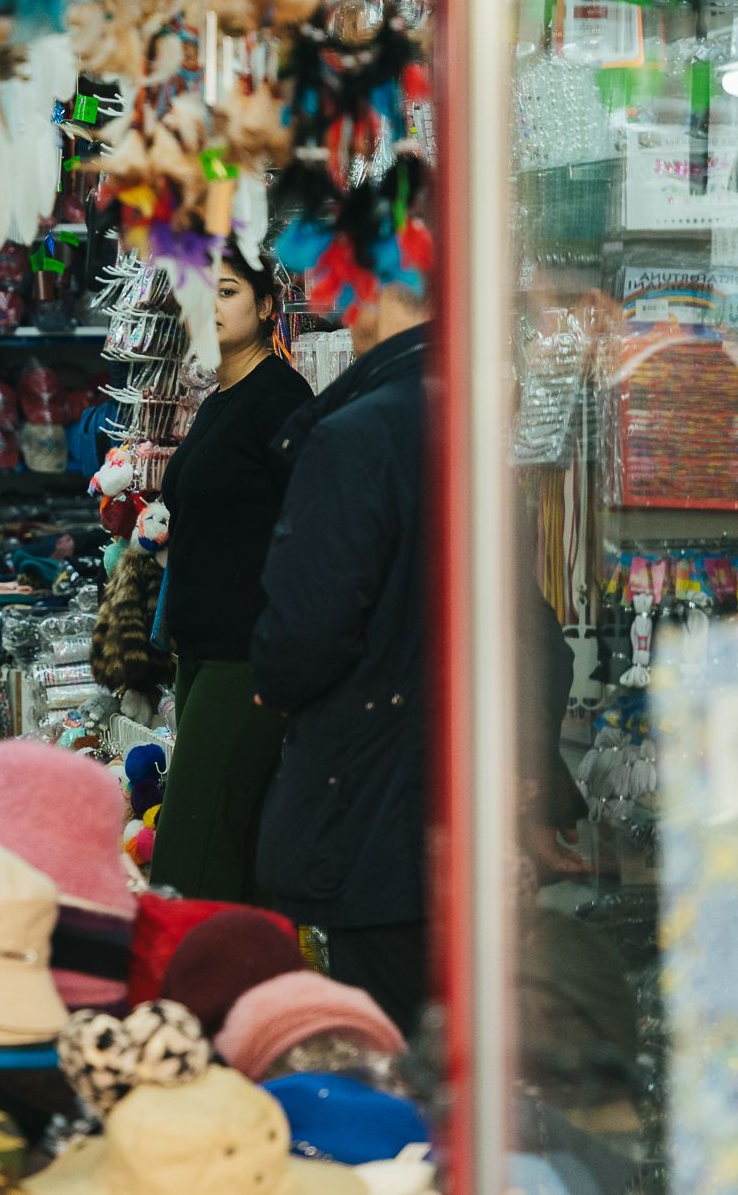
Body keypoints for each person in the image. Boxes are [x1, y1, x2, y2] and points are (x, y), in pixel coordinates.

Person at [249, 284, 587, 1033]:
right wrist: (531, 782)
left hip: (373, 811)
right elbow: (531, 633)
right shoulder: (460, 423)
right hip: (441, 812)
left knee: (395, 1059)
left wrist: (272, 675)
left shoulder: (359, 433)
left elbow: (303, 638)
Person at [147, 248, 311, 902]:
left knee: (191, 857)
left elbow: (313, 526)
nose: (209, 306)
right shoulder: (220, 402)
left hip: (247, 661)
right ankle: (243, 994)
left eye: (227, 290)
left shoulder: (281, 399)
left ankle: (188, 993)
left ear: (267, 304)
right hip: (203, 655)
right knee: (228, 854)